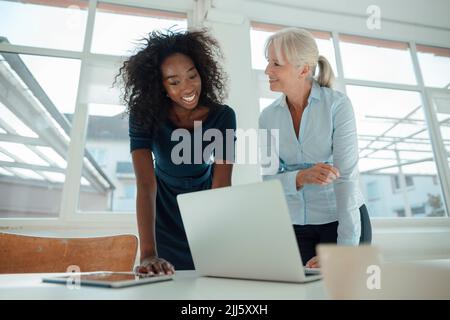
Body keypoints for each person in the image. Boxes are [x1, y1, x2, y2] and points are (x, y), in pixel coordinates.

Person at [118, 29, 236, 274]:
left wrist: (221, 240)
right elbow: (145, 184)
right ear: (160, 86)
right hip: (164, 210)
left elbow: (222, 182)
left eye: (192, 76)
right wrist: (148, 253)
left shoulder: (223, 116)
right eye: (174, 81)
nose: (188, 87)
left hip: (204, 204)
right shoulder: (144, 115)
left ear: (202, 72)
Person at [259, 27, 370, 268]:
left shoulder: (337, 106)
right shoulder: (267, 117)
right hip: (296, 225)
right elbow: (268, 181)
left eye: (276, 63)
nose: (268, 70)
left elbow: (347, 179)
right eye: (268, 62)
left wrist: (345, 248)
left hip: (342, 221)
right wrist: (300, 177)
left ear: (304, 69)